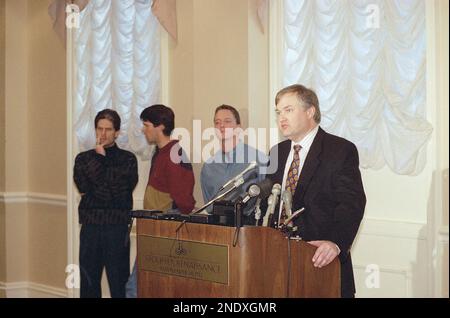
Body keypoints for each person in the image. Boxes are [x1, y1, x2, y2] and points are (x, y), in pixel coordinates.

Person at [266, 84, 366, 298]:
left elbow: (352, 204)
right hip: (279, 268)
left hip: (321, 264)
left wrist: (336, 243)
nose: (281, 117)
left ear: (310, 111)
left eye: (288, 110)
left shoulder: (340, 150)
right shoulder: (277, 153)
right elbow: (268, 204)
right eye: (278, 112)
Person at [125, 104, 196, 297]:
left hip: (164, 230)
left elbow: (184, 200)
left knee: (135, 288)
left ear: (160, 126)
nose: (143, 129)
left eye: (146, 125)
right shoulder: (161, 153)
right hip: (155, 229)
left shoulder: (174, 154)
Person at [73, 109, 138, 298]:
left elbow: (116, 193)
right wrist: (100, 166)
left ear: (117, 132)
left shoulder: (127, 159)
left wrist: (100, 161)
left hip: (116, 228)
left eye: (108, 129)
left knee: (119, 282)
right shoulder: (83, 158)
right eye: (99, 129)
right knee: (88, 282)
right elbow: (83, 185)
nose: (103, 134)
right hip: (90, 227)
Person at [200, 104, 268, 222]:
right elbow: (208, 203)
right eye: (217, 122)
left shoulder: (258, 160)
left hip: (248, 226)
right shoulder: (208, 167)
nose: (221, 126)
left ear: (238, 127)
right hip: (216, 227)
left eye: (227, 121)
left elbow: (265, 198)